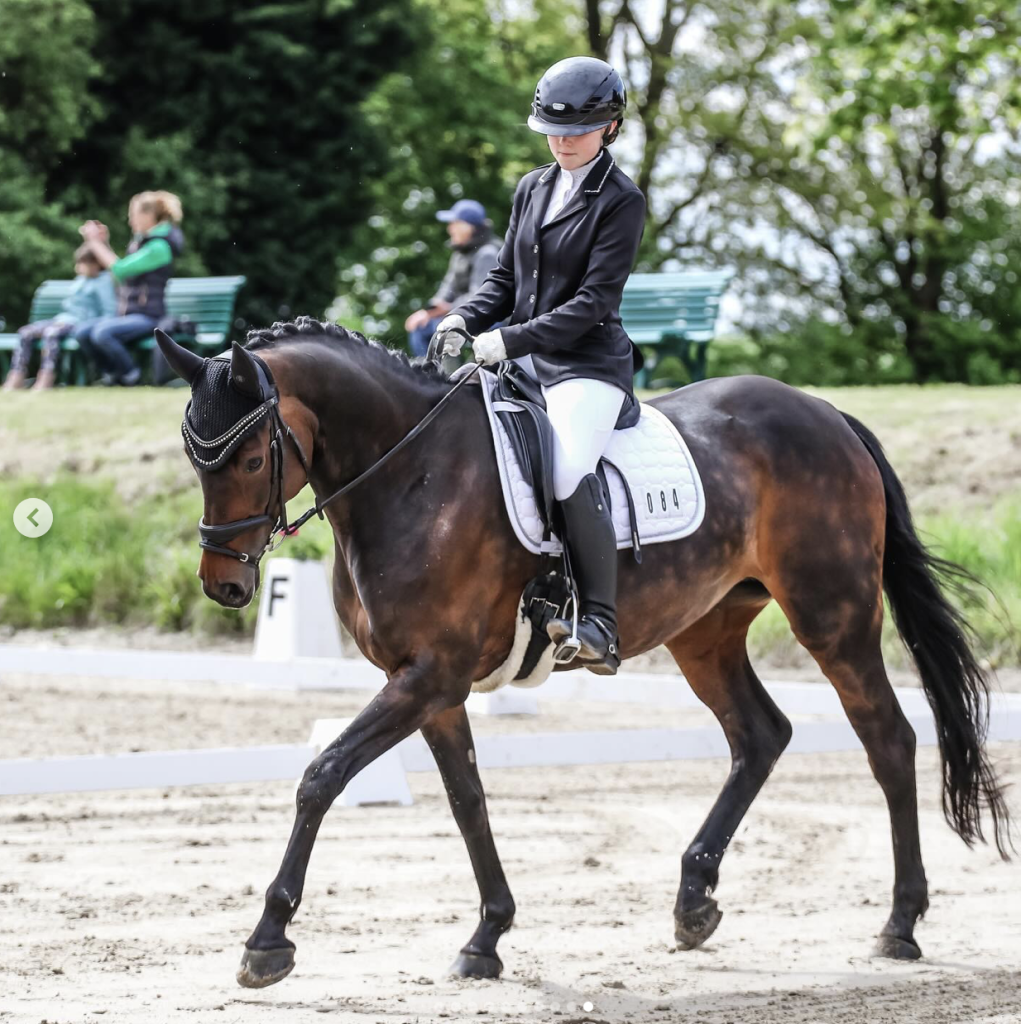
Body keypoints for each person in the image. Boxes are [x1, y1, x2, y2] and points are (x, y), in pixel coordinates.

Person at [433, 56, 645, 676]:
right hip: (521, 359)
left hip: (586, 364)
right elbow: (502, 278)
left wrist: (509, 341)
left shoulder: (622, 200)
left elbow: (593, 302)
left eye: (578, 130)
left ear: (609, 127)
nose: (563, 141)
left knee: (567, 468)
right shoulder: (532, 185)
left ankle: (601, 622)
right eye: (553, 130)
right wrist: (463, 320)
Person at [77, 190, 185, 385]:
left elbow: (119, 269)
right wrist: (103, 244)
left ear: (149, 215)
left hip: (149, 316)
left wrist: (94, 243)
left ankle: (130, 374)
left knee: (102, 333)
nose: (130, 221)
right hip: (128, 315)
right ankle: (112, 374)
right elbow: (119, 270)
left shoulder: (159, 247)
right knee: (83, 332)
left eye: (133, 215)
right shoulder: (141, 243)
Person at [2, 246, 117, 391]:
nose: (78, 267)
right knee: (26, 332)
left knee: (51, 333)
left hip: (79, 323)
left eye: (82, 263)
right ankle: (16, 376)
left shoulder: (103, 282)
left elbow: (109, 312)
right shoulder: (80, 280)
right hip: (62, 320)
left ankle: (46, 377)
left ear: (95, 264)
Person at [405, 199, 501, 357]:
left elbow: (480, 297)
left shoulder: (488, 253)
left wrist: (448, 309)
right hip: (463, 310)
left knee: (443, 333)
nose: (449, 228)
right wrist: (427, 312)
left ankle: (445, 378)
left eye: (453, 223)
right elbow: (446, 289)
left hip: (489, 317)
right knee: (421, 327)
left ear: (468, 226)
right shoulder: (460, 253)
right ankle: (431, 374)